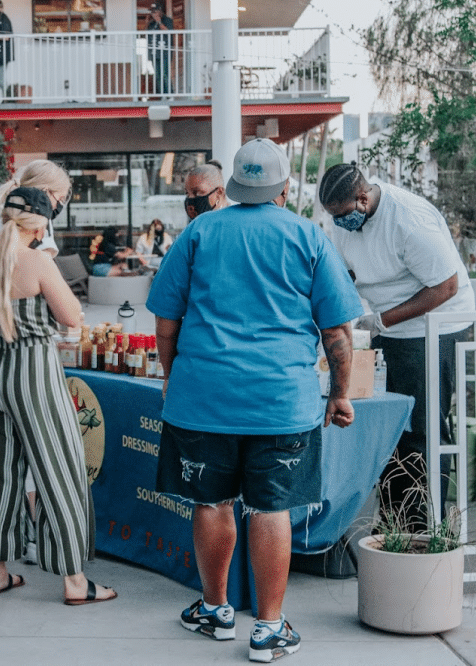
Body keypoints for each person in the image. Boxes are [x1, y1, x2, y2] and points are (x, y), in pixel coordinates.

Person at [147, 138, 361, 663]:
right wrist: (339, 394)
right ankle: (268, 629)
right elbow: (337, 331)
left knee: (211, 501)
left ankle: (216, 610)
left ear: (234, 187)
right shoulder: (308, 236)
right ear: (286, 187)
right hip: (281, 402)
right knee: (272, 508)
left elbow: (166, 320)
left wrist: (174, 376)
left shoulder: (198, 232)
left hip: (203, 398)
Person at [0, 187, 117, 606]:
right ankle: (74, 581)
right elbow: (71, 316)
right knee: (59, 472)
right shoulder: (37, 262)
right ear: (42, 223)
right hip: (35, 377)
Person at [319, 162, 474, 532]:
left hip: (435, 326)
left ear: (362, 197)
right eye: (333, 217)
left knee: (422, 428)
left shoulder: (408, 220)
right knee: (390, 425)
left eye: (342, 216)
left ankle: (421, 527)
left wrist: (384, 319)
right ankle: (392, 519)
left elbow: (445, 286)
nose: (339, 224)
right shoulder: (342, 220)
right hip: (385, 328)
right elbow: (348, 272)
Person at [0, 160, 71, 260]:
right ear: (45, 192)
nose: (56, 207)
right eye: (59, 199)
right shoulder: (36, 229)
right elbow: (45, 273)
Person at [146, 3, 174, 96]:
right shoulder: (151, 23)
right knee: (158, 75)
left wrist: (159, 21)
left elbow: (168, 32)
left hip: (164, 52)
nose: (153, 13)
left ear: (160, 11)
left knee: (164, 74)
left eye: (155, 11)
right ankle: (162, 95)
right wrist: (147, 22)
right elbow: (146, 34)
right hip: (154, 53)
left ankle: (169, 94)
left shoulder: (167, 20)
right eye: (152, 12)